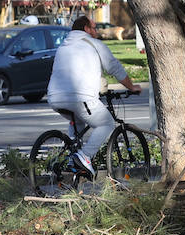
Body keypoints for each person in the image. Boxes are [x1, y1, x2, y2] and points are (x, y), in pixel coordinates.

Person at [46, 15, 141, 177]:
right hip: (79, 97)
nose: (96, 31)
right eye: (94, 27)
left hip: (54, 98)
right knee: (106, 123)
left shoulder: (64, 46)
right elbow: (114, 68)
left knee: (78, 121)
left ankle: (72, 159)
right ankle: (85, 156)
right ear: (86, 29)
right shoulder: (94, 44)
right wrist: (131, 86)